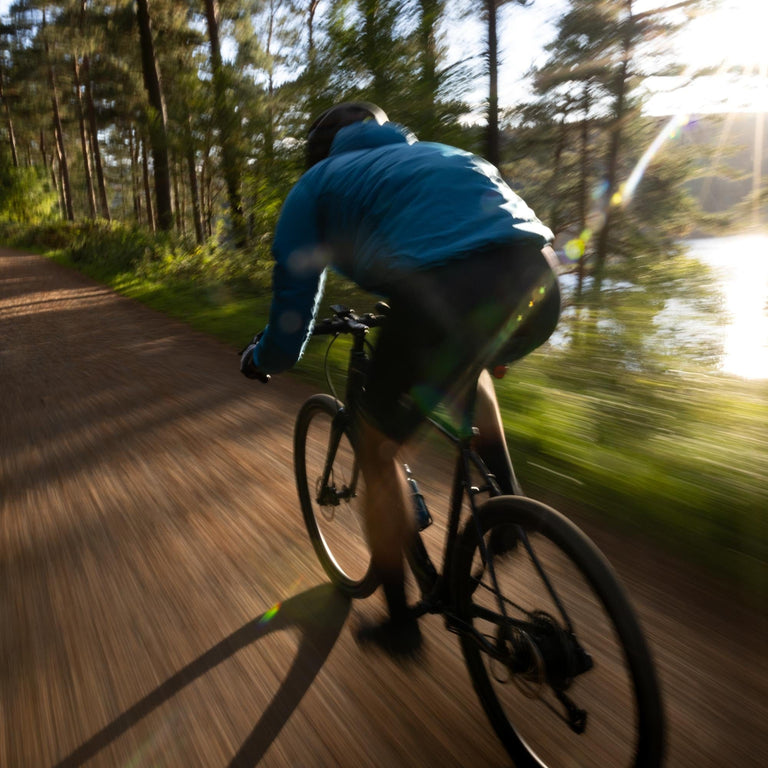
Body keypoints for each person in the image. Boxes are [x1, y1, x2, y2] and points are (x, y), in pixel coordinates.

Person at [240, 102, 561, 657]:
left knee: (376, 448)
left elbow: (293, 310)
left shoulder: (316, 185)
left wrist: (266, 359)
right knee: (469, 366)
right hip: (541, 284)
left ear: (321, 149)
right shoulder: (442, 154)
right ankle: (509, 509)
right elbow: (481, 234)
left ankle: (399, 624)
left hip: (444, 292)